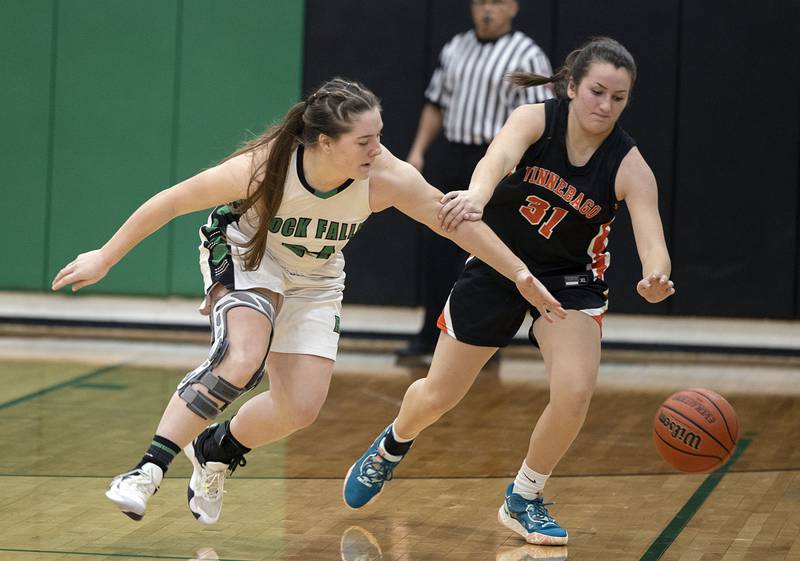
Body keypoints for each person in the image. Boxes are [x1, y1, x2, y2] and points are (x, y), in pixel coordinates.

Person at [51, 77, 566, 524]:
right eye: (365, 141)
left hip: (317, 278)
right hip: (249, 257)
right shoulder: (262, 168)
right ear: (325, 142)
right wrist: (105, 256)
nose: (378, 149)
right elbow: (171, 201)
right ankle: (147, 469)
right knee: (242, 358)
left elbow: (458, 226)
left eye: (379, 137)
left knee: (300, 408)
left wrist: (519, 273)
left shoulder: (386, 177)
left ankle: (217, 448)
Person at [343, 38, 676, 546]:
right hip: (500, 262)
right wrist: (476, 196)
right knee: (438, 395)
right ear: (571, 86)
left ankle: (525, 496)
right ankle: (392, 445)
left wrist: (656, 276)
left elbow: (652, 236)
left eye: (618, 97)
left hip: (570, 280)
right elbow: (496, 160)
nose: (604, 105)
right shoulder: (534, 120)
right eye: (596, 91)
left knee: (574, 391)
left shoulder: (629, 166)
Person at [400, 0, 554, 361]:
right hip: (452, 154)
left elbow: (540, 118)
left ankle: (481, 343)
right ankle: (428, 337)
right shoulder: (456, 47)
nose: (487, 10)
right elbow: (435, 103)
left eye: (496, 3)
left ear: (513, 8)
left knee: (483, 254)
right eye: (481, 2)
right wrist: (419, 150)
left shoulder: (527, 55)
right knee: (438, 250)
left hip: (496, 162)